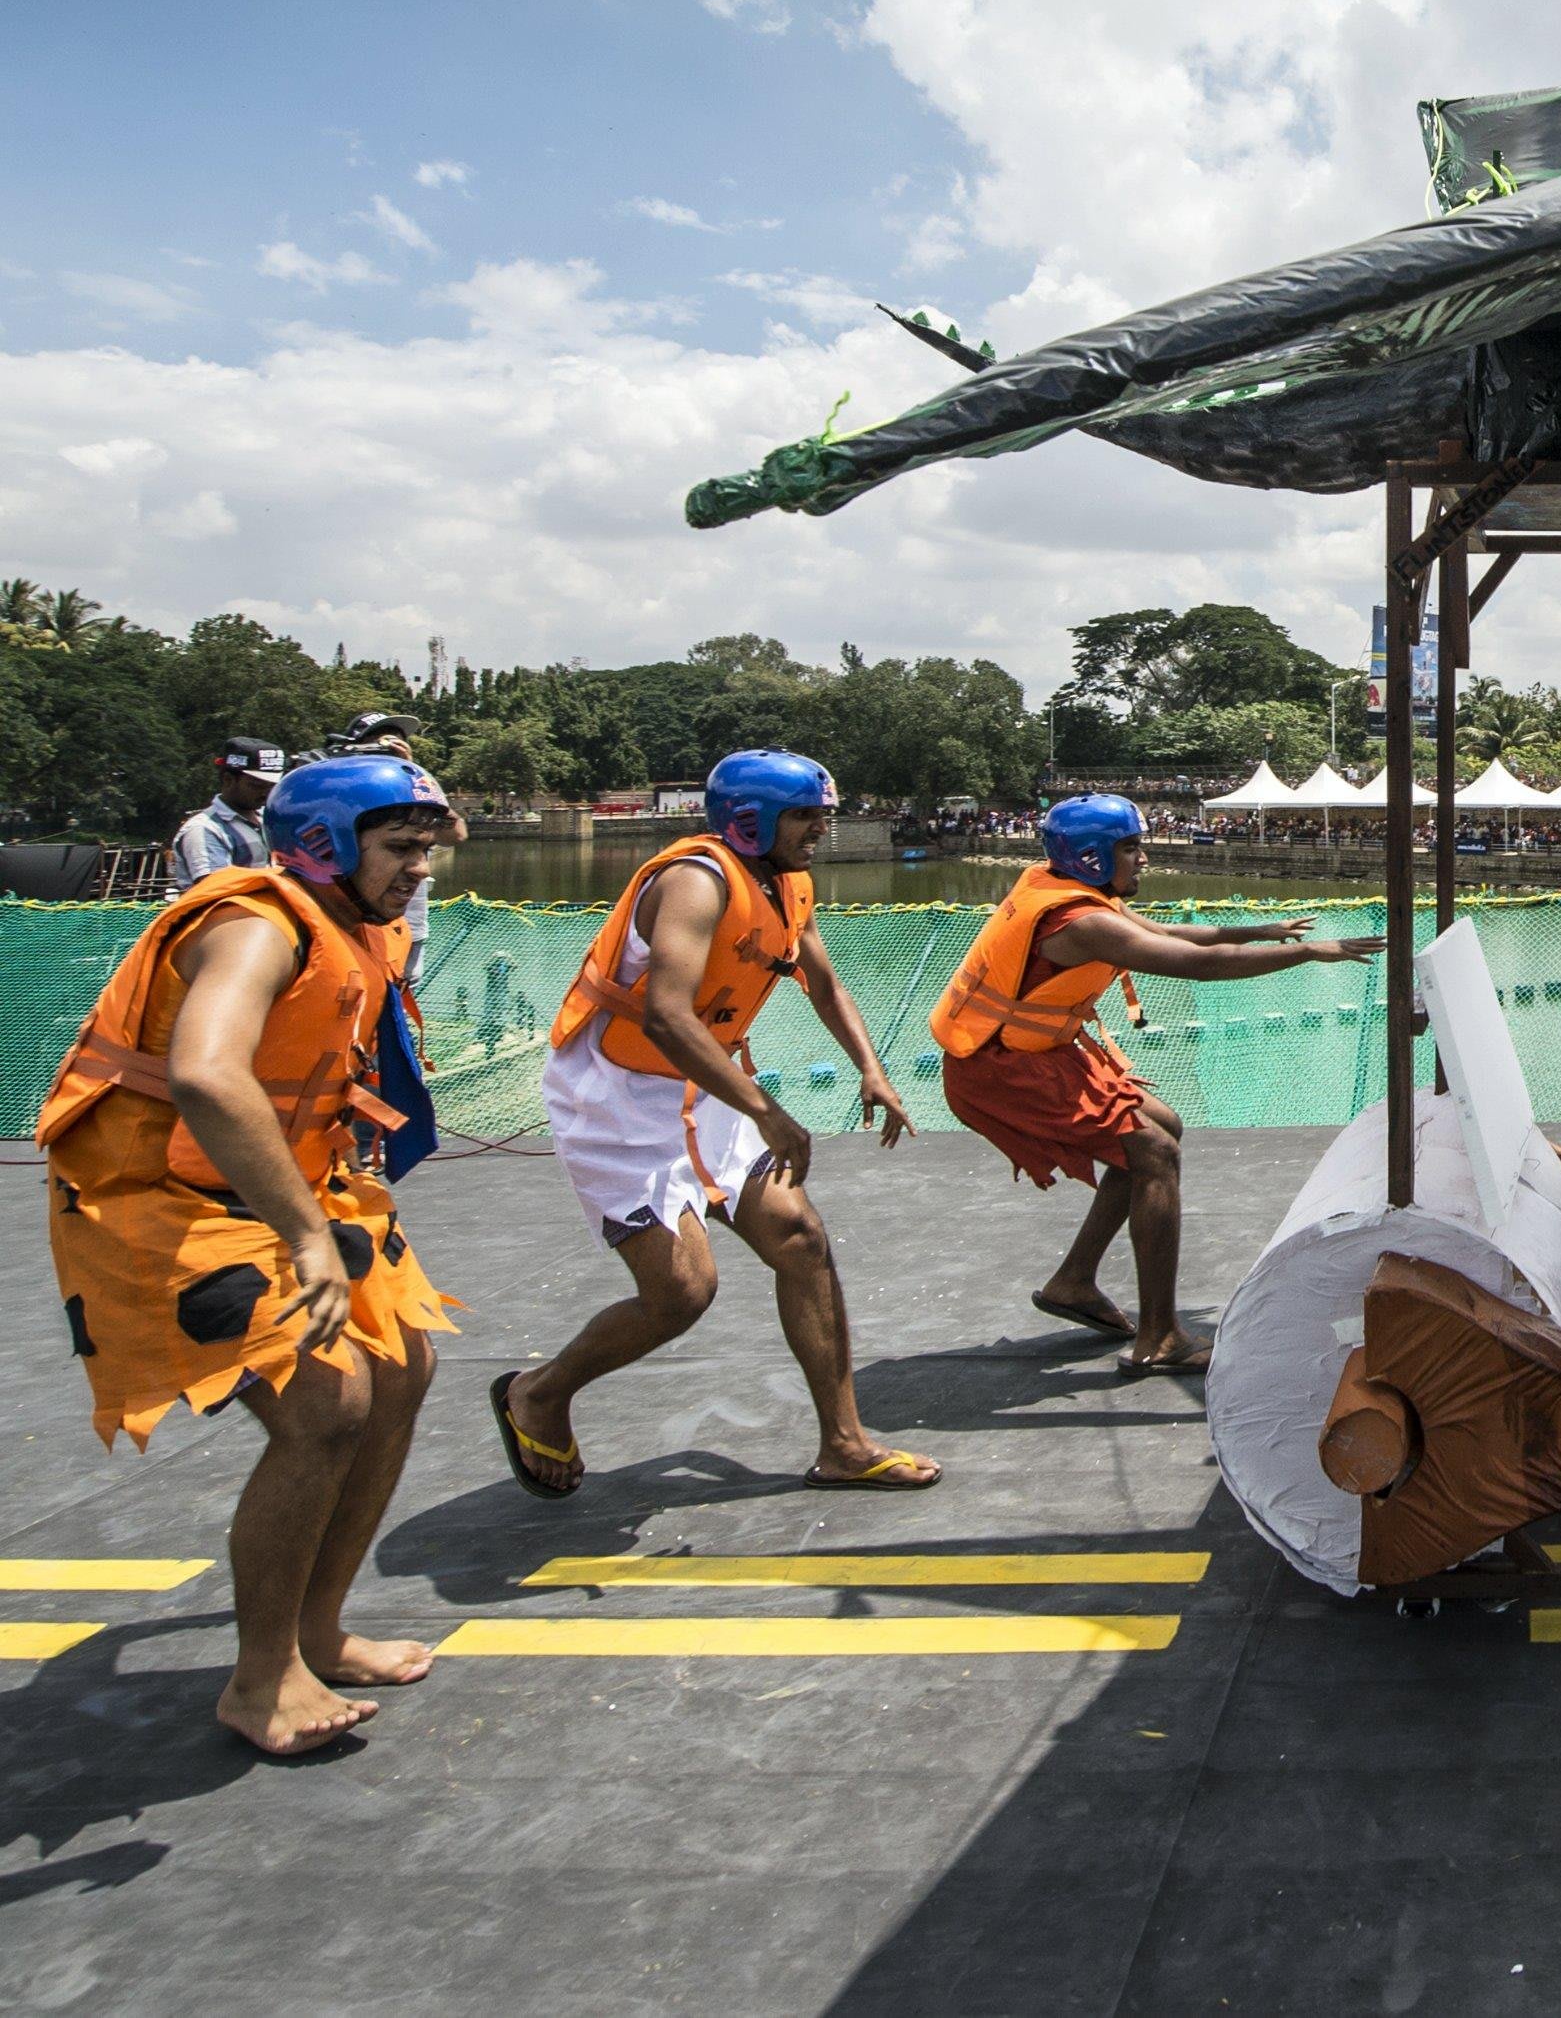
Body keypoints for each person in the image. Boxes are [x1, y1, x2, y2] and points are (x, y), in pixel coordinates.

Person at [38, 755, 461, 1756]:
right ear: (321, 846)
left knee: (401, 1365)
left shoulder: (362, 927)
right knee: (326, 1401)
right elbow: (205, 1075)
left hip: (282, 1181)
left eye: (425, 850)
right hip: (159, 1193)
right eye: (399, 848)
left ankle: (319, 1631)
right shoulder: (255, 925)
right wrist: (307, 1236)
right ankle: (261, 1677)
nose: (419, 869)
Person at [494, 750, 936, 1496]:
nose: (820, 829)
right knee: (682, 1293)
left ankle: (844, 1443)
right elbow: (666, 1016)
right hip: (617, 1097)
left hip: (702, 1087)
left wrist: (873, 1068)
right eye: (804, 816)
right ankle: (538, 1391)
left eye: (823, 815)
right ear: (750, 820)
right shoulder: (695, 882)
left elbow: (823, 981)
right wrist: (765, 1109)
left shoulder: (788, 884)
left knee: (800, 1238)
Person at [934, 795, 1376, 1374]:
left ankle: (1073, 1281)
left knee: (1163, 1126)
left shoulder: (1067, 888)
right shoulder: (1083, 922)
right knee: (1154, 1153)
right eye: (1130, 848)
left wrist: (1259, 930)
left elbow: (1167, 932)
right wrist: (1309, 952)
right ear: (1092, 857)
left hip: (1034, 1054)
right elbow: (1195, 964)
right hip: (1001, 1070)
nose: (1143, 858)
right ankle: (1160, 1336)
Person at [327, 714, 461, 984]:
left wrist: (413, 776)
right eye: (380, 744)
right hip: (350, 924)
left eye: (397, 743)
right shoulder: (338, 793)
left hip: (407, 925)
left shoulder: (417, 790)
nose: (421, 869)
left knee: (401, 993)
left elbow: (455, 835)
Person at [167, 737, 287, 890]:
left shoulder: (269, 818)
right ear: (228, 780)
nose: (267, 793)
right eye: (257, 786)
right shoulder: (204, 829)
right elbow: (217, 890)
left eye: (272, 786)